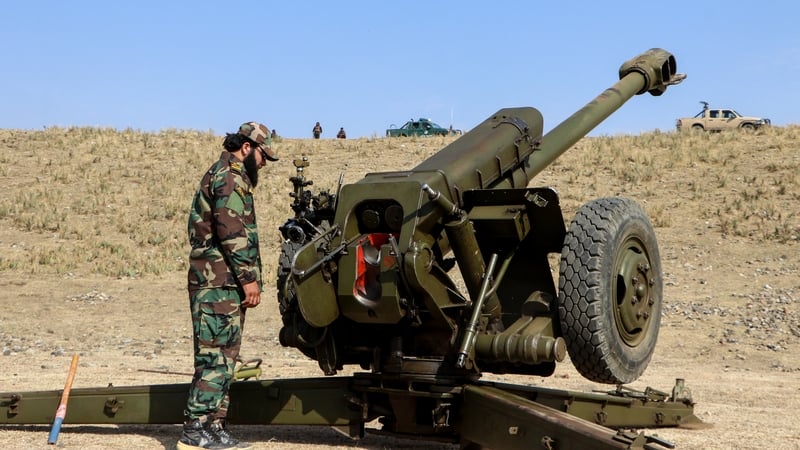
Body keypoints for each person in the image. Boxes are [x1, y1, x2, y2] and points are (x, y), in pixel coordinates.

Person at [180, 122, 278, 450]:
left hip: (224, 283)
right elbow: (231, 231)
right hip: (217, 283)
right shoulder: (230, 176)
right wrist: (249, 280)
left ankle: (215, 426)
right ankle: (195, 429)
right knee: (213, 357)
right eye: (264, 155)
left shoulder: (232, 174)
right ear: (248, 147)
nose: (264, 162)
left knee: (226, 358)